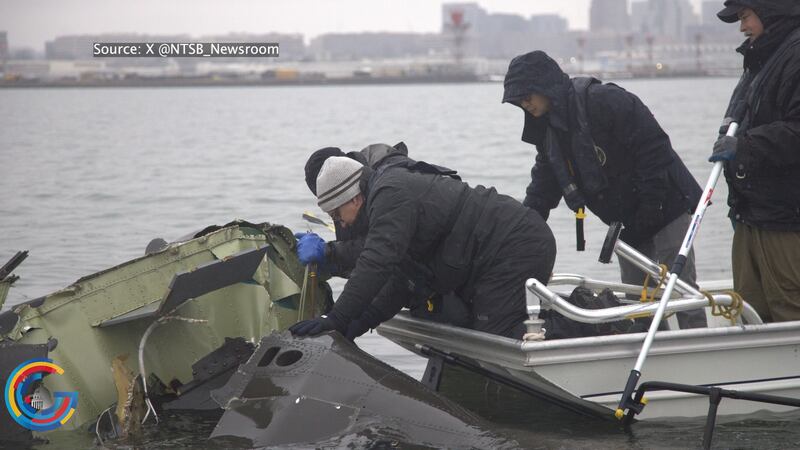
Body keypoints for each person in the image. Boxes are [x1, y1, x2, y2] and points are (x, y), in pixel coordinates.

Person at [502, 50, 706, 329]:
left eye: (527, 96)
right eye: (518, 101)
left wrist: (651, 205)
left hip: (667, 205)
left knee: (681, 289)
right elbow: (543, 187)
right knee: (638, 302)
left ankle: (698, 348)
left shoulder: (604, 100)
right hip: (626, 221)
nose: (525, 104)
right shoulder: (548, 132)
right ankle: (654, 357)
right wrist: (522, 229)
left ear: (544, 87)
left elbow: (654, 148)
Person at [289, 154, 556, 340]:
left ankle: (585, 328)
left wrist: (336, 318)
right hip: (496, 253)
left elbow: (376, 263)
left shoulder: (390, 194)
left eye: (336, 215)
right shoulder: (383, 203)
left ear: (353, 199)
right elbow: (402, 282)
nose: (341, 225)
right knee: (476, 329)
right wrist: (355, 324)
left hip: (516, 244)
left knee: (498, 336)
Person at [297, 143, 471, 339]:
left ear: (347, 195)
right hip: (440, 271)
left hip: (478, 257)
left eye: (336, 214)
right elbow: (394, 272)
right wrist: (360, 319)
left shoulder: (388, 188)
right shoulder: (353, 197)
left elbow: (378, 258)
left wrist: (331, 254)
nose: (341, 224)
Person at [709, 0, 800, 322]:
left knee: (788, 306)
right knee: (747, 308)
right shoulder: (760, 59)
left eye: (746, 16)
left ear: (770, 12)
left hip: (785, 217)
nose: (742, 27)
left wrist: (744, 146)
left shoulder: (794, 55)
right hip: (751, 212)